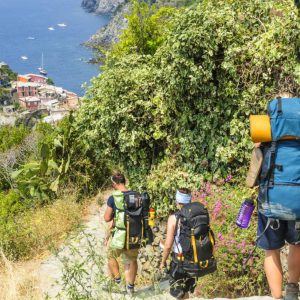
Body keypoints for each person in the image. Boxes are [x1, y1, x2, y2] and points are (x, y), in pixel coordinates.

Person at [256, 141, 300, 300]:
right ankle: (292, 291)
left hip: (270, 196)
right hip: (298, 198)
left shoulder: (270, 120)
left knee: (271, 249)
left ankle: (277, 297)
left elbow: (256, 152)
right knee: (297, 244)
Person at [103, 172, 139, 295]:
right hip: (134, 235)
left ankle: (119, 282)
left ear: (114, 184)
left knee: (110, 256)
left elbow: (107, 218)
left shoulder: (113, 198)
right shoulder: (136, 196)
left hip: (119, 235)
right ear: (125, 182)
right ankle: (130, 287)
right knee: (132, 260)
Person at [160, 188, 196, 299]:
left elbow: (168, 245)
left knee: (178, 290)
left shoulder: (173, 218)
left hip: (179, 259)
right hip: (194, 258)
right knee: (185, 290)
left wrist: (163, 262)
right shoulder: (196, 216)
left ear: (177, 202)